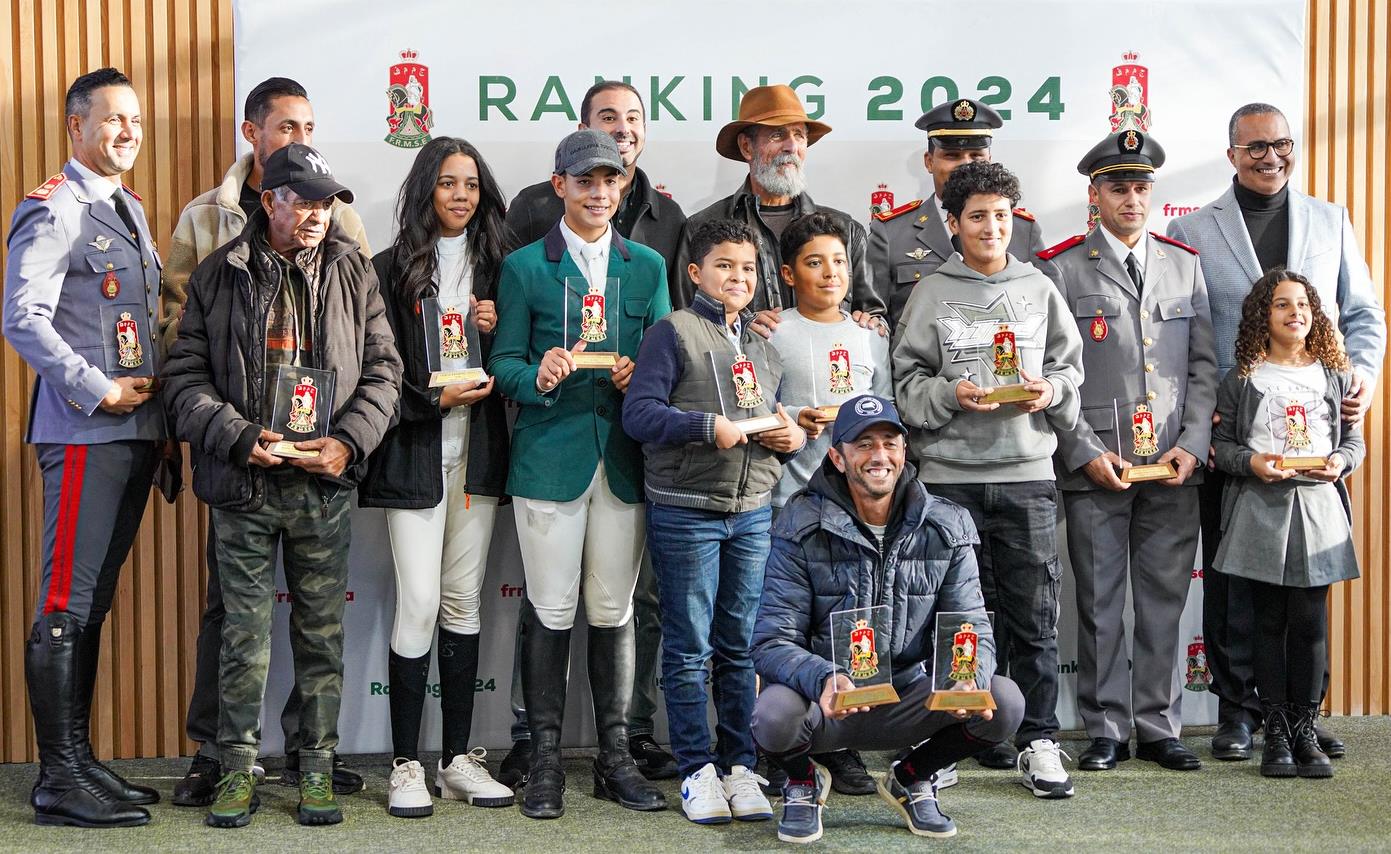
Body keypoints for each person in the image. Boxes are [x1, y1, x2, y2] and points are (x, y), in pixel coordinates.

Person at [163, 143, 401, 828]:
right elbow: (183, 381)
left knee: (322, 635)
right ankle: (236, 769)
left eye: (326, 203)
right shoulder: (217, 274)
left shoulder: (356, 273)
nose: (317, 214)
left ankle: (316, 768)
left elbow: (385, 374)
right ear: (269, 199)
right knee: (243, 634)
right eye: (303, 200)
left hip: (322, 485)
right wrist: (241, 437)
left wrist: (347, 441)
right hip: (243, 483)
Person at [1167, 102, 1385, 761]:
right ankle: (1237, 713)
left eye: (1281, 145)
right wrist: (1200, 403)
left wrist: (1363, 380)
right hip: (1235, 438)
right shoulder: (1195, 228)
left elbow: (1361, 313)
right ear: (1231, 153)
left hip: (1318, 436)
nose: (1270, 157)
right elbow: (1186, 328)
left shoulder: (1330, 219)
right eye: (1255, 147)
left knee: (1307, 584)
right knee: (1233, 579)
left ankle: (1296, 714)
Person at [499, 80, 685, 786]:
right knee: (549, 609)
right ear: (560, 185)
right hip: (548, 459)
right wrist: (537, 375)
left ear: (623, 182)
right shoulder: (523, 267)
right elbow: (504, 366)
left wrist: (639, 376)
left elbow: (665, 360)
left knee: (612, 611)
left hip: (623, 460)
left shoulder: (647, 266)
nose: (599, 192)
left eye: (610, 179)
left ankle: (614, 757)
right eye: (585, 180)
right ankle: (544, 758)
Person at [2, 66, 164, 829]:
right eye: (112, 119)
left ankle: (81, 759)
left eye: (135, 118)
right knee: (65, 607)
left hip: (132, 433)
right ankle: (58, 778)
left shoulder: (127, 208)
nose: (128, 131)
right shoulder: (54, 209)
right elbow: (21, 317)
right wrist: (96, 386)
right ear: (76, 126)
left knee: (91, 606)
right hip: (83, 432)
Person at [750, 394, 1025, 843]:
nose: (879, 455)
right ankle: (803, 781)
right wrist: (824, 677)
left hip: (910, 693)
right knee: (773, 715)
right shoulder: (798, 524)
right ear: (838, 458)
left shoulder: (946, 524)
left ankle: (913, 775)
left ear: (903, 451)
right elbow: (771, 641)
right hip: (831, 699)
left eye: (889, 442)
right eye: (863, 445)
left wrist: (966, 676)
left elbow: (971, 623)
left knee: (1003, 701)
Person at [892, 160, 1084, 798]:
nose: (991, 227)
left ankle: (1038, 740)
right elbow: (907, 382)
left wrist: (1048, 389)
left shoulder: (1040, 287)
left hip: (1027, 472)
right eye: (977, 216)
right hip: (948, 478)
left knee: (1034, 615)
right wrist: (951, 393)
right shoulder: (929, 293)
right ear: (953, 224)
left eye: (1001, 216)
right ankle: (947, 739)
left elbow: (1068, 371)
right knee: (952, 617)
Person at [1042, 129, 1216, 773]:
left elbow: (1203, 368)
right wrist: (1084, 452)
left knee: (1165, 604)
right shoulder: (1060, 267)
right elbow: (1054, 375)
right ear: (1095, 194)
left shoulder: (1184, 263)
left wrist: (1193, 447)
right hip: (1098, 468)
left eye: (1142, 187)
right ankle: (1107, 726)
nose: (1133, 199)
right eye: (1119, 187)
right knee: (1100, 606)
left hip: (1172, 468)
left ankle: (1159, 725)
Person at [623, 218, 806, 825]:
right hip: (686, 512)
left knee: (739, 648)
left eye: (748, 268)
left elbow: (769, 423)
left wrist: (789, 436)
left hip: (751, 514)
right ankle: (697, 770)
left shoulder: (763, 348)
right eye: (725, 266)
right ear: (696, 273)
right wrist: (705, 428)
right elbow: (640, 415)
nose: (738, 277)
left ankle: (741, 766)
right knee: (687, 648)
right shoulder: (672, 333)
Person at [358, 137, 515, 818]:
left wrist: (498, 323)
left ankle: (456, 760)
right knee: (418, 602)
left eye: (471, 185)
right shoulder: (386, 271)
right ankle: (404, 765)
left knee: (462, 602)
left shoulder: (502, 271)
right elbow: (374, 374)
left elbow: (526, 354)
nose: (460, 196)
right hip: (416, 455)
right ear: (424, 190)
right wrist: (433, 399)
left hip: (478, 459)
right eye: (447, 183)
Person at [1210, 269, 1363, 779]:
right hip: (1261, 505)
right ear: (1262, 316)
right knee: (1267, 620)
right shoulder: (1242, 377)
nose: (1295, 312)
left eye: (1303, 304)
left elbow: (1352, 442)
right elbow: (1225, 447)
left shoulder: (1334, 374)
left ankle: (1304, 728)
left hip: (1319, 505)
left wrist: (1341, 461)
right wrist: (1250, 463)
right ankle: (1273, 730)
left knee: (1309, 620)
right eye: (1281, 305)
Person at [675, 84, 885, 325]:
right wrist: (741, 325)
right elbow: (688, 323)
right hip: (740, 362)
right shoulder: (701, 227)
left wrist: (870, 323)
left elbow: (875, 316)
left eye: (799, 135)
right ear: (746, 147)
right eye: (777, 135)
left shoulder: (847, 230)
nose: (792, 147)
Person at [869, 98, 1058, 332]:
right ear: (929, 162)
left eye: (976, 155)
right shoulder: (890, 232)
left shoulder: (1022, 229)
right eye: (952, 155)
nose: (965, 165)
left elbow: (1049, 314)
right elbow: (874, 319)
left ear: (989, 159)